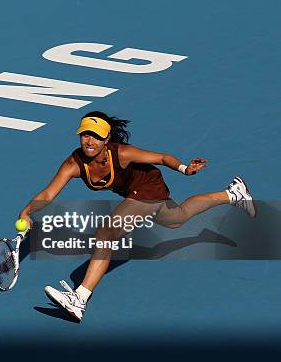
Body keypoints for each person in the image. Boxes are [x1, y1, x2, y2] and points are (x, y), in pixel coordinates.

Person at [18, 111, 256, 322]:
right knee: (177, 218)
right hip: (133, 192)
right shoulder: (74, 163)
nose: (89, 141)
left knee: (106, 233)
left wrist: (184, 168)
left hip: (148, 187)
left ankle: (79, 298)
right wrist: (27, 211)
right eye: (85, 135)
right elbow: (49, 192)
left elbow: (162, 158)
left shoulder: (122, 153)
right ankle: (233, 193)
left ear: (107, 139)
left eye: (97, 136)